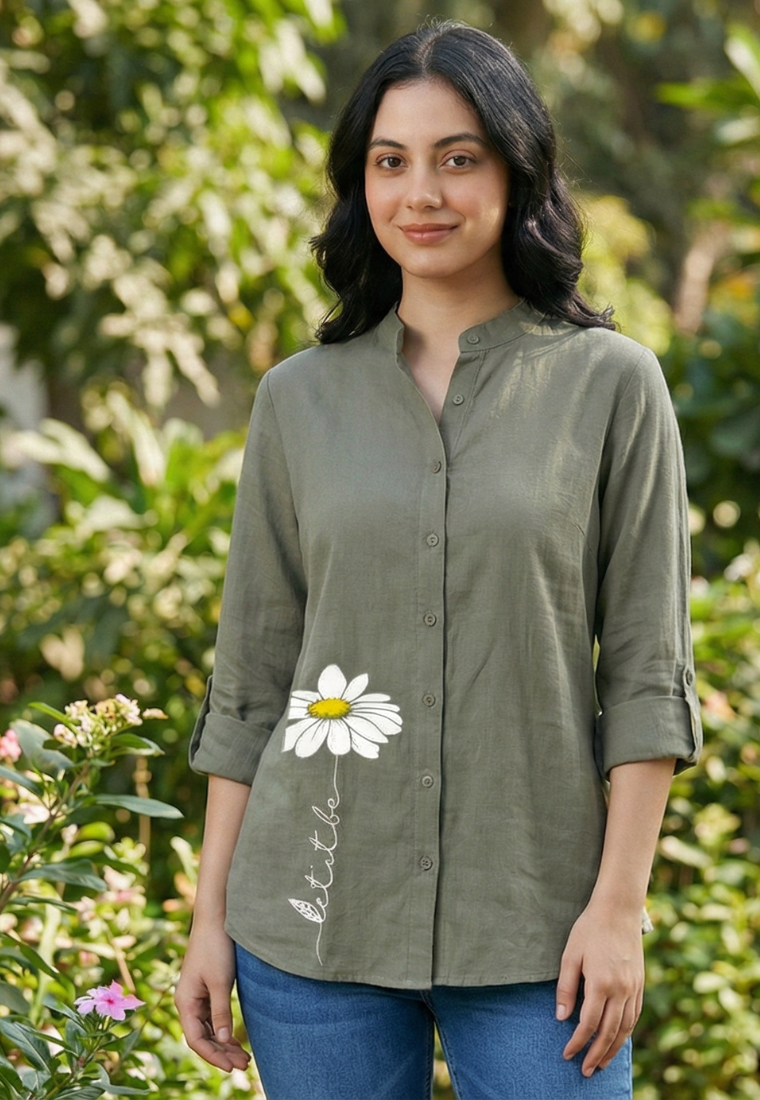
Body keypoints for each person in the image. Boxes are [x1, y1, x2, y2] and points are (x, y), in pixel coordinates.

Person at [175, 21, 702, 1100]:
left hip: (539, 932)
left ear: (517, 171)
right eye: (390, 160)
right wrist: (209, 916)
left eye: (457, 157)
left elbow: (648, 671)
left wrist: (618, 907)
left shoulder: (611, 385)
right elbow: (252, 678)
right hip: (312, 922)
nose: (422, 191)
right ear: (359, 184)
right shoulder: (296, 401)